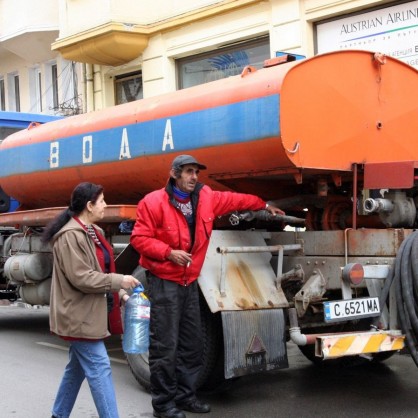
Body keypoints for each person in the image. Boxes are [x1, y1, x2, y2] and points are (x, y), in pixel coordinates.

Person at [130, 154, 284, 418]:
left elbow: (237, 200)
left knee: (192, 344)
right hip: (165, 281)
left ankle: (186, 396)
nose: (194, 177)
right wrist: (168, 252)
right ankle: (163, 405)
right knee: (165, 346)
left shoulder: (206, 198)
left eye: (196, 173)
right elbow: (139, 239)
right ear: (175, 174)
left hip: (189, 281)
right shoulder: (153, 202)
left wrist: (264, 205)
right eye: (189, 172)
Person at [42, 182, 140, 418]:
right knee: (100, 367)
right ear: (89, 206)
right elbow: (81, 277)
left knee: (76, 369)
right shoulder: (69, 236)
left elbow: (100, 268)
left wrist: (121, 293)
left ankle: (59, 414)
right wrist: (119, 281)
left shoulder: (93, 233)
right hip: (78, 315)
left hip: (89, 312)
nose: (106, 205)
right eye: (102, 201)